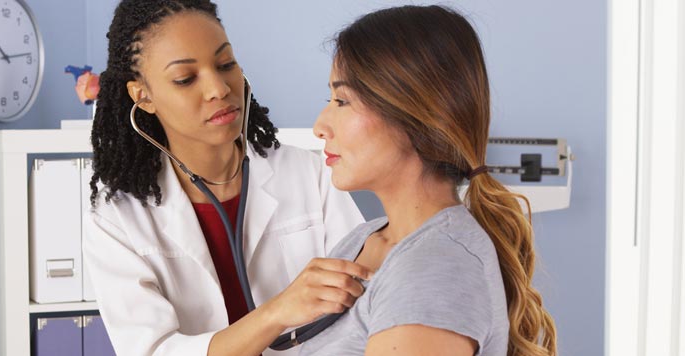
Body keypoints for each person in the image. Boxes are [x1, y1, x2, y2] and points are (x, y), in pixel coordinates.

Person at [83, 1, 369, 355]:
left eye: (225, 64)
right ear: (143, 96)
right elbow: (154, 350)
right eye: (186, 79)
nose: (218, 88)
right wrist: (276, 313)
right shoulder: (119, 219)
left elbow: (366, 301)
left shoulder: (309, 175)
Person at [299, 5, 557, 356]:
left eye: (342, 101)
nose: (320, 126)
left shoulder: (435, 266)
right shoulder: (363, 240)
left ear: (412, 114)